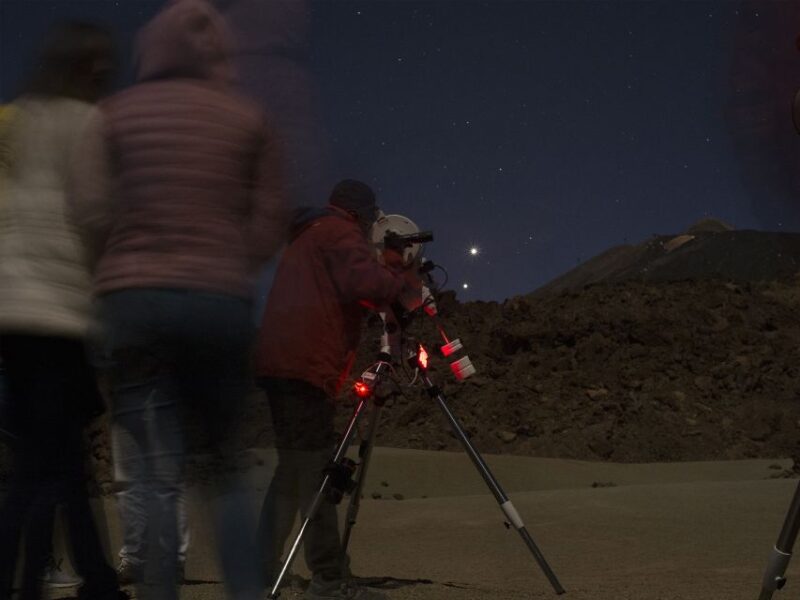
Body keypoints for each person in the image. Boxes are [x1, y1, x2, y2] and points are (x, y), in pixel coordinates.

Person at [69, 2, 287, 600]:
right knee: (225, 469)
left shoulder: (114, 115)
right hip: (217, 303)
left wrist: (116, 266)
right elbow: (271, 216)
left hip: (134, 303)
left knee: (151, 475)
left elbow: (89, 211)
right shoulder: (246, 116)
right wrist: (230, 261)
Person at [0, 22, 123, 600]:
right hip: (58, 312)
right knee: (44, 470)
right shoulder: (87, 122)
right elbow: (98, 214)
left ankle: (82, 579)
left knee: (53, 462)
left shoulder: (17, 118)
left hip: (15, 313)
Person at [255, 179, 411, 600]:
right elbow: (368, 286)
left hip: (280, 364)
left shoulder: (311, 233)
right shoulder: (340, 233)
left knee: (292, 473)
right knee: (315, 474)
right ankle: (328, 579)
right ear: (360, 214)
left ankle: (263, 569)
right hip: (305, 367)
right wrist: (396, 267)